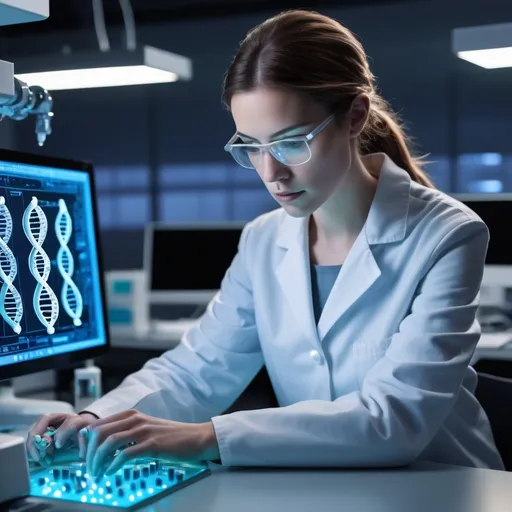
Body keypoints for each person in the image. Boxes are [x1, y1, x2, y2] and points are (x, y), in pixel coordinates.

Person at [27, 9, 504, 477]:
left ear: (355, 115)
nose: (271, 172)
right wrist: (96, 421)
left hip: (444, 483)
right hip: (324, 483)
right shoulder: (263, 240)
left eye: (291, 142)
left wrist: (205, 437)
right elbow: (198, 370)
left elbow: (394, 419)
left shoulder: (447, 234)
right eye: (250, 146)